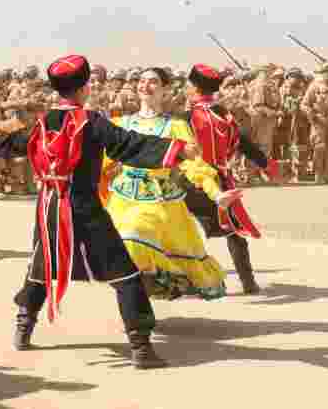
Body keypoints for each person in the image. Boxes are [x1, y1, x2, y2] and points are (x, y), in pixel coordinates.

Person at [0, 55, 201, 369]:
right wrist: (176, 149)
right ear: (84, 88)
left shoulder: (41, 124)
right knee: (125, 274)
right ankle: (141, 348)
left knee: (43, 266)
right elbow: (129, 144)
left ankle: (23, 329)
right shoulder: (90, 122)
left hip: (49, 208)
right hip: (84, 207)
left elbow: (0, 144)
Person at [102, 68, 242, 300]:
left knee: (133, 237)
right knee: (122, 252)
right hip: (122, 199)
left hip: (157, 202)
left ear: (165, 90)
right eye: (142, 81)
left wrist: (217, 195)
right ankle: (138, 309)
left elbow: (194, 166)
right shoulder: (121, 124)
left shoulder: (174, 126)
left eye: (153, 82)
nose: (145, 86)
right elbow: (97, 159)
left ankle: (148, 296)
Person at [181, 65, 280, 294]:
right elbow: (243, 143)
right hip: (223, 180)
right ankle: (248, 282)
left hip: (192, 181)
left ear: (195, 88)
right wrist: (266, 164)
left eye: (188, 85)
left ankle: (189, 283)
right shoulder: (224, 115)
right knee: (234, 232)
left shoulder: (185, 118)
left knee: (187, 232)